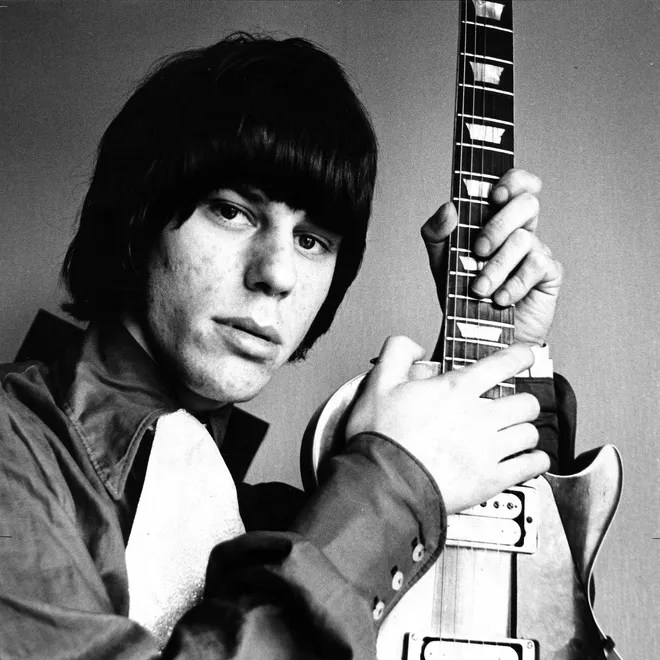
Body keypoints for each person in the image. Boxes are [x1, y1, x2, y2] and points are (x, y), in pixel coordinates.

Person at [0, 33, 566, 659]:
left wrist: (501, 354)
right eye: (232, 211)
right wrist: (393, 482)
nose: (278, 274)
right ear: (138, 216)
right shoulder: (13, 451)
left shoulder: (273, 521)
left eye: (312, 240)